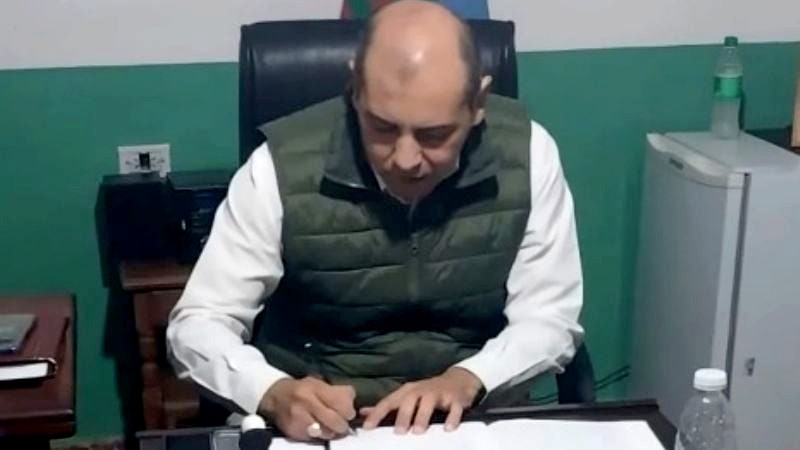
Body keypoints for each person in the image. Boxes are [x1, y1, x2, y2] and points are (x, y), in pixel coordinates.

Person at [167, 0, 583, 442]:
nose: (405, 159)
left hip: (473, 418)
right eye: (382, 128)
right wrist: (271, 391)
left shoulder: (528, 154)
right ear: (355, 89)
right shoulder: (277, 167)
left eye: (435, 135)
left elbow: (549, 318)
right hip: (323, 426)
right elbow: (198, 324)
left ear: (477, 103)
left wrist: (471, 378)